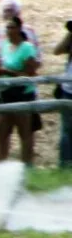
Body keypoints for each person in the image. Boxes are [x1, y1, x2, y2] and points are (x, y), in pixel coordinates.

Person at [0, 16, 40, 166]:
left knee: (25, 133)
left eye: (12, 27)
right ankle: (0, 168)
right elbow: (2, 64)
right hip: (6, 93)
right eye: (7, 27)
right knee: (2, 132)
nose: (9, 30)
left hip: (23, 93)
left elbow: (31, 73)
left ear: (19, 28)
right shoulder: (5, 45)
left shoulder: (27, 48)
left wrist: (7, 71)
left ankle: (27, 167)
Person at [55, 20, 72, 168]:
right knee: (66, 130)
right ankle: (65, 165)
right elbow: (57, 50)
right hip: (68, 89)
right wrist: (69, 36)